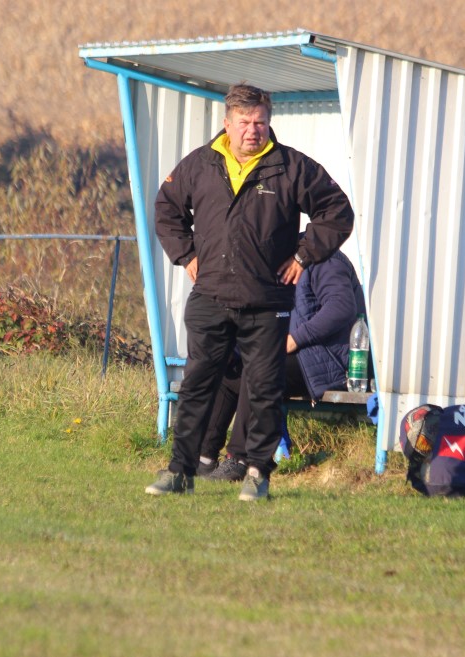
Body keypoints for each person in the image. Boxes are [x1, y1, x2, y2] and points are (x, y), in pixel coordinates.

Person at [145, 83, 354, 501]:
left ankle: (258, 473)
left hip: (267, 302)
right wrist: (186, 256)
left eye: (260, 122)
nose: (252, 131)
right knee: (197, 384)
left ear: (268, 122)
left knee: (263, 387)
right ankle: (179, 471)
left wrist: (303, 255)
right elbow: (166, 208)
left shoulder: (291, 167)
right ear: (227, 123)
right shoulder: (200, 164)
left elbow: (337, 211)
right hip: (210, 297)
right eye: (244, 123)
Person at [198, 249, 367, 481]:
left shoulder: (324, 259)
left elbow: (341, 307)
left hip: (324, 362)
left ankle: (239, 459)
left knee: (258, 369)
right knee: (229, 367)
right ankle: (204, 459)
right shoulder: (274, 260)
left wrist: (294, 339)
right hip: (290, 356)